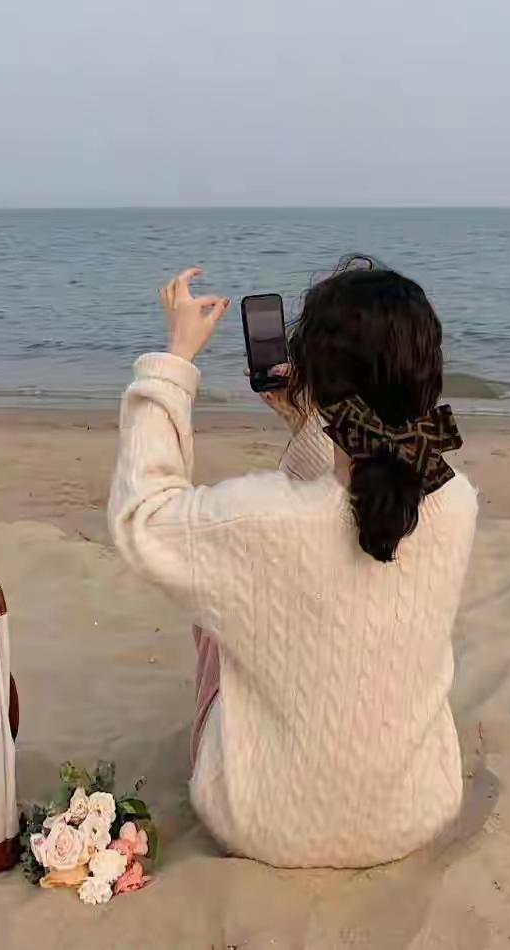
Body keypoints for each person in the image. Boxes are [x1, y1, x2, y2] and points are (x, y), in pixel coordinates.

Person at [108, 260, 477, 869]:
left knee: (215, 604)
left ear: (315, 378)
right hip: (414, 813)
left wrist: (175, 360)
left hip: (263, 825)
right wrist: (309, 425)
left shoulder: (256, 519)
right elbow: (353, 507)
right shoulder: (456, 501)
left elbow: (142, 518)